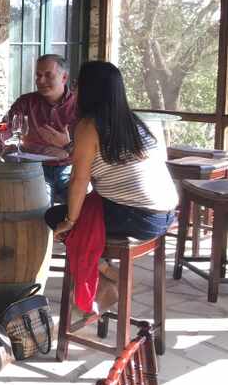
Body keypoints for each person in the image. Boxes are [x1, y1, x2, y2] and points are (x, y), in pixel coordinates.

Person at [45, 61, 178, 309]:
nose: (74, 90)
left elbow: (79, 179)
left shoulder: (89, 125)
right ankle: (104, 276)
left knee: (57, 216)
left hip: (137, 215)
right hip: (166, 215)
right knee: (90, 209)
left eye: (77, 84)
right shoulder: (132, 122)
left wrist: (70, 221)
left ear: (88, 89)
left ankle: (103, 274)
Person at [0, 54, 78, 204]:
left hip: (70, 169)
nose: (41, 81)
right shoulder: (26, 101)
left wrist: (67, 147)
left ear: (64, 78)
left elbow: (90, 143)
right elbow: (6, 124)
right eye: (38, 75)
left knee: (82, 205)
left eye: (48, 75)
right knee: (36, 207)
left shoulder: (79, 105)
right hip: (33, 169)